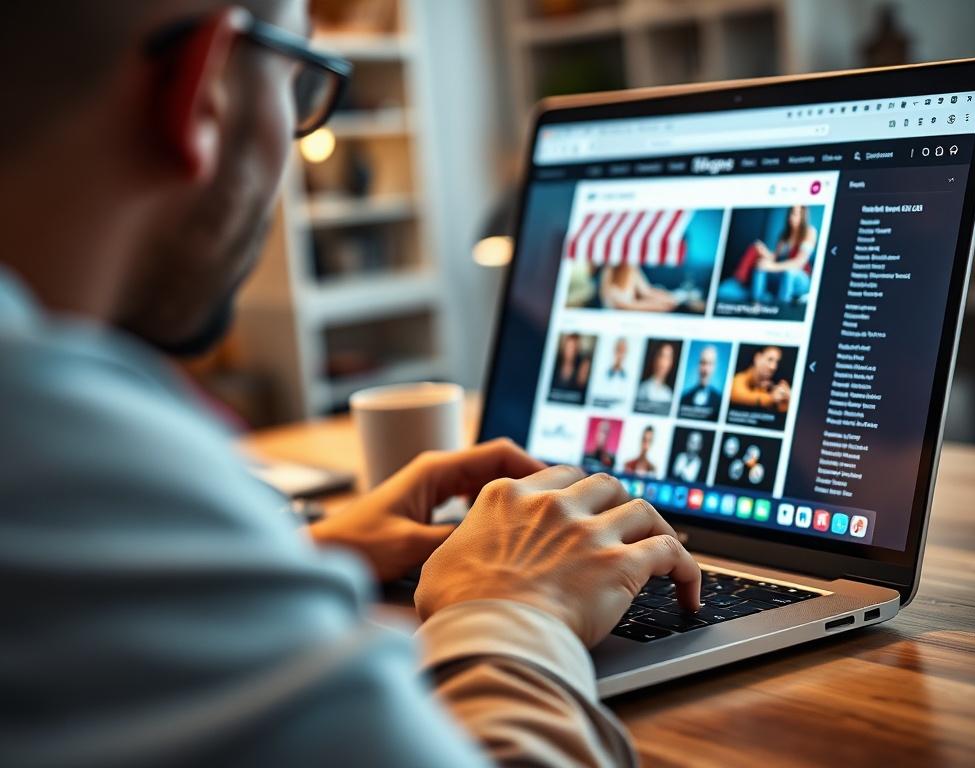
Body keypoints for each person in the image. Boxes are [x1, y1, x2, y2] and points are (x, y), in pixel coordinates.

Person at [0, 3, 703, 766]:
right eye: (300, 86)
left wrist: (303, 552)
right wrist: (513, 606)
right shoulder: (56, 449)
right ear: (205, 90)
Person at [751, 205, 817, 305]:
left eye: (795, 213)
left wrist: (773, 267)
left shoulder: (810, 232)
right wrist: (764, 252)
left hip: (801, 277)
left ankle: (782, 307)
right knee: (761, 265)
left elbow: (798, 263)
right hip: (782, 272)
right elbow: (774, 258)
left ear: (803, 215)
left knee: (789, 272)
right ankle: (756, 302)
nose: (790, 216)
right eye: (790, 213)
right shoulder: (784, 235)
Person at [730, 346, 791, 413]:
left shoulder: (768, 387)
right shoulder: (739, 379)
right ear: (757, 358)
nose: (773, 367)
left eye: (777, 362)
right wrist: (771, 398)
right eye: (770, 359)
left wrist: (787, 401)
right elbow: (738, 394)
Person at [599, 264, 678, 312]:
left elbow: (646, 291)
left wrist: (668, 299)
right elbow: (619, 304)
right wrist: (657, 306)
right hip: (615, 321)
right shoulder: (610, 268)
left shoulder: (631, 266)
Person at [679, 344, 723, 416]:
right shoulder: (684, 398)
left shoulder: (720, 400)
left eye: (710, 364)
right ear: (698, 365)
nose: (705, 370)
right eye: (703, 363)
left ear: (714, 367)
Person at [590, 336, 631, 406]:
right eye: (618, 350)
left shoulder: (628, 378)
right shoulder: (601, 375)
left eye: (623, 351)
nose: (620, 354)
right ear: (614, 351)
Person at [550, 331, 591, 400]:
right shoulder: (555, 361)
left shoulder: (582, 365)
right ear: (565, 347)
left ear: (578, 349)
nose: (572, 351)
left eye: (575, 347)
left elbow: (581, 390)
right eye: (570, 347)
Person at [636, 341, 677, 407]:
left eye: (668, 358)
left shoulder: (669, 393)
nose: (663, 362)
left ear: (671, 363)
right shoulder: (643, 389)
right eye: (661, 356)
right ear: (655, 358)